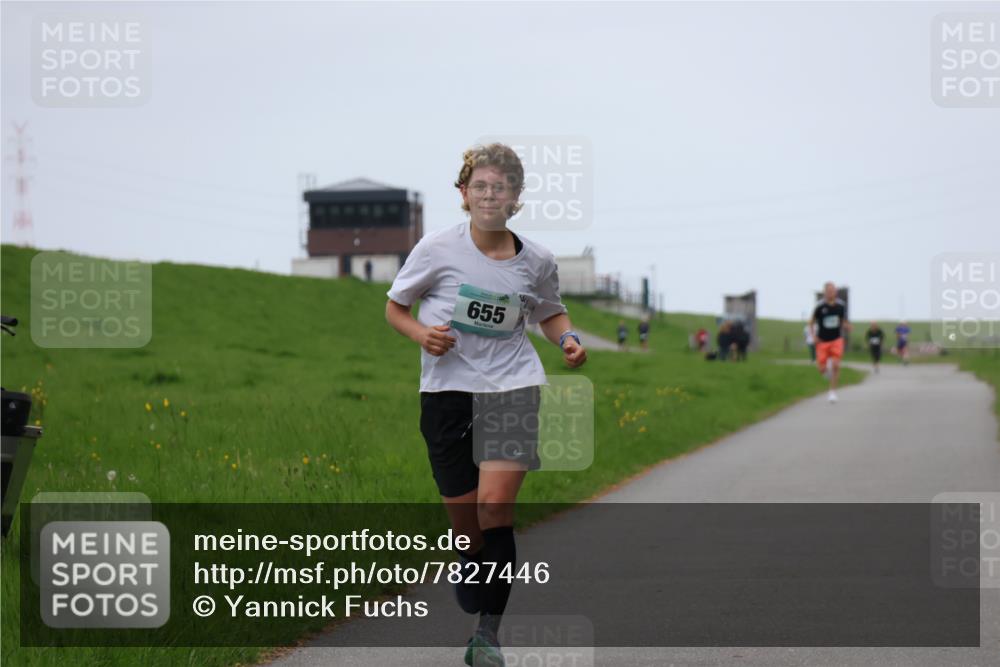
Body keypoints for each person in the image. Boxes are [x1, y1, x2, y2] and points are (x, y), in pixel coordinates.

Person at [385, 143, 587, 667]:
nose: (490, 195)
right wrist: (421, 335)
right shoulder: (436, 249)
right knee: (466, 523)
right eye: (480, 186)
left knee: (495, 508)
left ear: (516, 197)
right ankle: (469, 559)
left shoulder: (536, 259)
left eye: (501, 187)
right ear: (463, 193)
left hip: (513, 387)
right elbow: (395, 307)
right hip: (447, 393)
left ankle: (487, 637)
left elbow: (551, 312)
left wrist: (567, 340)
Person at [809, 281, 851, 403]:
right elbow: (811, 322)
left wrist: (847, 326)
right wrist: (813, 336)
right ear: (825, 292)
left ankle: (832, 392)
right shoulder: (819, 307)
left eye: (833, 290)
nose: (831, 293)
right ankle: (826, 373)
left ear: (835, 292)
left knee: (836, 365)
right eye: (829, 291)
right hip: (822, 341)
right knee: (822, 369)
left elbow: (843, 320)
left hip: (836, 340)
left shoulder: (841, 306)